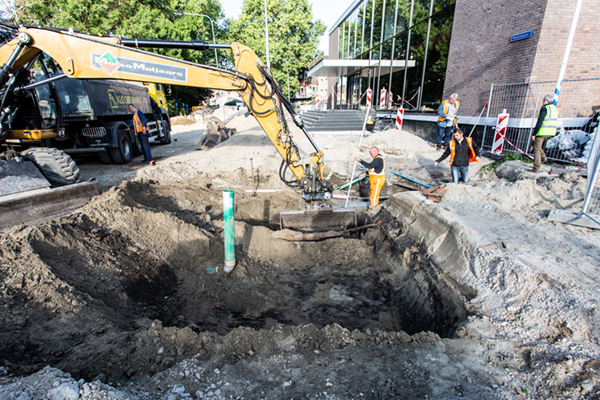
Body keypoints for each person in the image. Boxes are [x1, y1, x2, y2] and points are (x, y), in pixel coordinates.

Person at [529, 94, 558, 173]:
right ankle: (543, 157)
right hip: (550, 131)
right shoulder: (554, 109)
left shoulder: (545, 108)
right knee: (535, 144)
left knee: (536, 149)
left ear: (545, 101)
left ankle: (536, 168)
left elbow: (540, 122)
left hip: (542, 131)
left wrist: (534, 133)